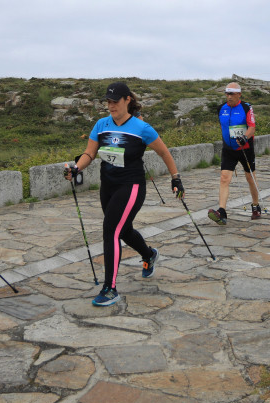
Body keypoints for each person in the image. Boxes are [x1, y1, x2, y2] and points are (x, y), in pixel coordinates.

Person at [64, 82, 183, 306]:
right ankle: (149, 255)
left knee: (111, 229)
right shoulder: (101, 125)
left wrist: (175, 177)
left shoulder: (141, 128)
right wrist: (76, 168)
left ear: (127, 100)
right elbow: (89, 153)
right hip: (108, 185)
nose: (111, 106)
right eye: (108, 102)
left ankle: (110, 288)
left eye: (115, 101)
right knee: (123, 229)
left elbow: (164, 152)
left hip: (131, 186)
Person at [207, 82, 261, 224]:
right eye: (226, 93)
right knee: (224, 178)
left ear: (239, 94)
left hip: (245, 149)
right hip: (228, 149)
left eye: (231, 94)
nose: (228, 96)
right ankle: (222, 212)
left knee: (250, 178)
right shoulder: (221, 109)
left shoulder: (246, 107)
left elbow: (252, 128)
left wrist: (245, 137)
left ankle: (255, 205)